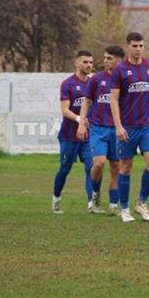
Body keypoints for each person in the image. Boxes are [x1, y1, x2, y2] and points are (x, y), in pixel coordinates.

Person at [109, 32, 149, 223]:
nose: (138, 49)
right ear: (127, 47)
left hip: (148, 125)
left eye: (141, 46)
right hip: (128, 127)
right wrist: (118, 126)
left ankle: (141, 203)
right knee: (125, 167)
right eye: (135, 46)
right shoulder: (120, 70)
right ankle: (124, 209)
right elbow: (113, 100)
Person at [78, 45, 124, 216]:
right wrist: (81, 123)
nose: (105, 61)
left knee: (116, 167)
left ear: (118, 60)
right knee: (98, 163)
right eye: (105, 58)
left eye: (109, 58)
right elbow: (86, 102)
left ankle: (113, 204)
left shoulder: (125, 79)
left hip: (117, 129)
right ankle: (95, 194)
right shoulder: (96, 79)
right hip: (98, 128)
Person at [52, 50, 94, 214]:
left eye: (90, 62)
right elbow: (65, 110)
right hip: (69, 135)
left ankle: (91, 203)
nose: (88, 65)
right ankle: (56, 198)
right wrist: (80, 119)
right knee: (65, 168)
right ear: (76, 63)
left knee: (91, 167)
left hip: (88, 136)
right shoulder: (68, 84)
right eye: (85, 62)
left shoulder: (94, 83)